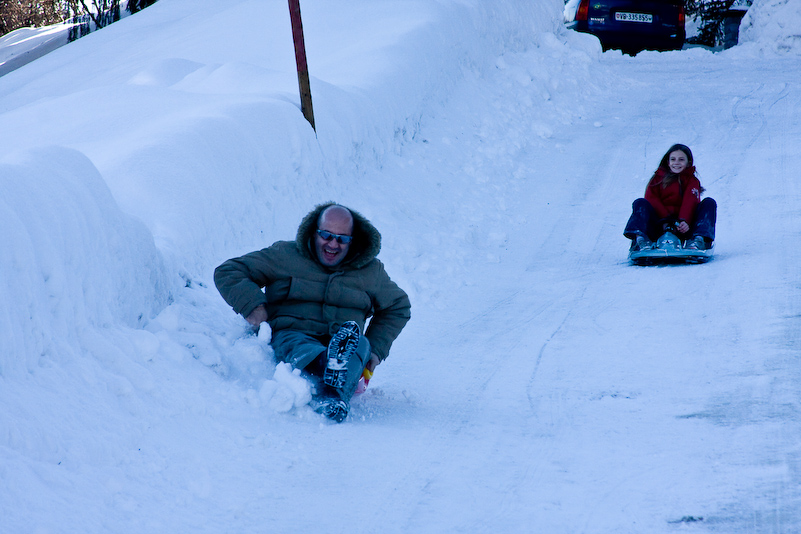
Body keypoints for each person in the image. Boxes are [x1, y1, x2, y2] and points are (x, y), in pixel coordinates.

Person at [214, 203, 411, 422]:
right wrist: (253, 306)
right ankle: (329, 368)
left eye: (342, 239)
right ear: (314, 232)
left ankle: (335, 392)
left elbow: (398, 306)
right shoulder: (285, 255)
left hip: (343, 338)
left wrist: (376, 349)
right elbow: (229, 271)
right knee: (293, 340)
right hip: (293, 333)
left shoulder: (370, 272)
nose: (333, 244)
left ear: (352, 240)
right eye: (326, 235)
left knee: (361, 344)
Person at [624, 143, 717, 251]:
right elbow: (652, 199)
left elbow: (690, 201)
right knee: (640, 203)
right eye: (673, 159)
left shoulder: (692, 181)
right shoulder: (657, 179)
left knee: (709, 203)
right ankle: (640, 240)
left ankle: (699, 240)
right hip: (659, 225)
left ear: (688, 162)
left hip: (683, 227)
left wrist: (684, 221)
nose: (676, 163)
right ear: (668, 162)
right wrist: (665, 221)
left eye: (681, 159)